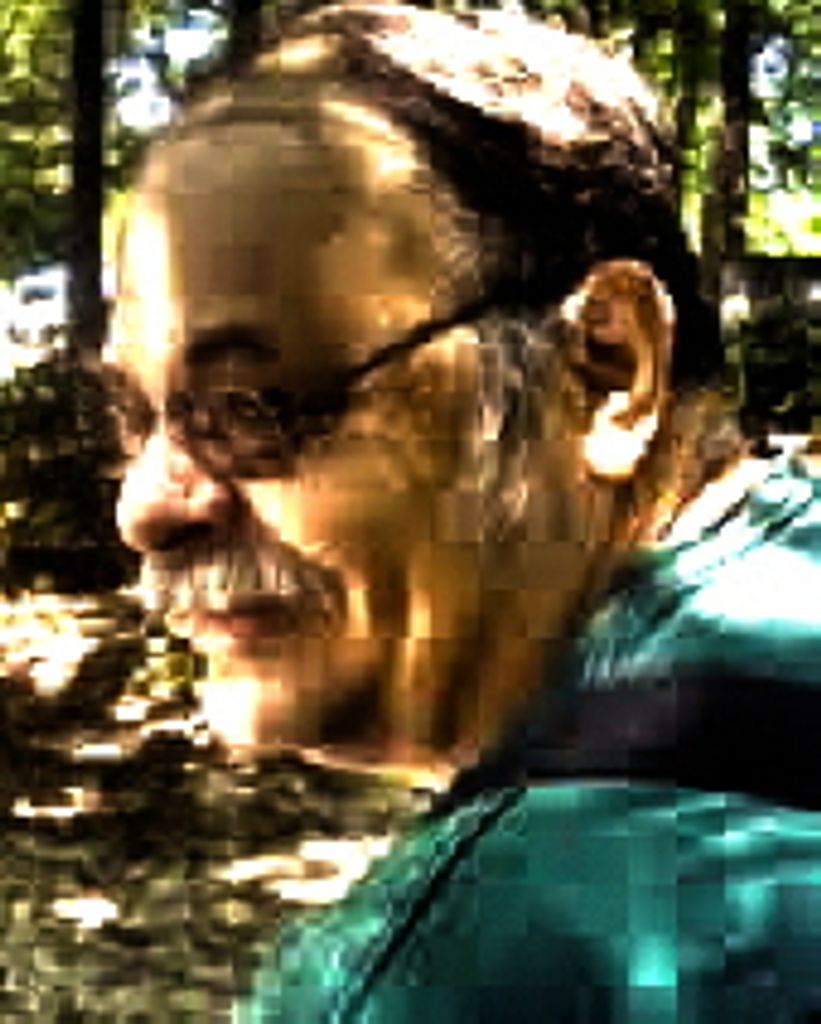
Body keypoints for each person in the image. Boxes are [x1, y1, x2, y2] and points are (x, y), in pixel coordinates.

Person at [104, 5, 821, 1021]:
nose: (143, 508)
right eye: (131, 417)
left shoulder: (455, 975)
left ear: (607, 368)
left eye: (250, 406)